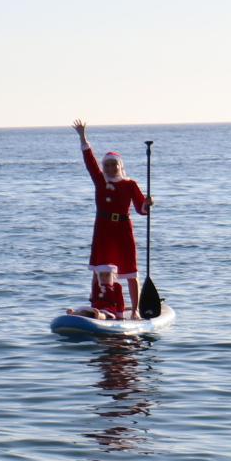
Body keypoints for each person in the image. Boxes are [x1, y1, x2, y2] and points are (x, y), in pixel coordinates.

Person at [74, 120, 152, 317]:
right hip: (103, 228)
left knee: (130, 270)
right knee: (98, 269)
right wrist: (83, 137)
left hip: (123, 229)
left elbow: (141, 208)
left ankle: (135, 310)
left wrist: (147, 204)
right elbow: (90, 162)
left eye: (113, 165)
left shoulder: (130, 184)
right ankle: (97, 305)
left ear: (120, 166)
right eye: (106, 165)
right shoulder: (100, 181)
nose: (110, 168)